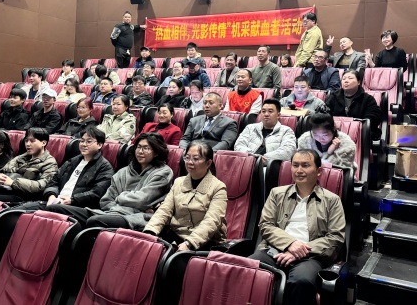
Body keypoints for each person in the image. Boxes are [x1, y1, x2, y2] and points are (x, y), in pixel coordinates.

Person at [249, 149, 345, 305]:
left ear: (319, 171)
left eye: (305, 165)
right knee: (249, 268)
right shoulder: (277, 193)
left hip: (311, 256)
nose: (299, 170)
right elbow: (266, 225)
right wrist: (290, 244)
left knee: (302, 281)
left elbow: (335, 237)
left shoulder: (332, 200)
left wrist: (300, 251)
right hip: (274, 250)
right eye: (295, 165)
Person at [50, 133, 173, 229]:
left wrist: (119, 198)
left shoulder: (163, 172)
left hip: (136, 217)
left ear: (156, 153)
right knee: (55, 208)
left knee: (95, 221)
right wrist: (119, 205)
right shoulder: (123, 172)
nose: (140, 151)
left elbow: (142, 200)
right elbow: (105, 201)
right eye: (138, 147)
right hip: (110, 213)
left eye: (146, 148)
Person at [144, 141, 227, 250]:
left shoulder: (218, 188)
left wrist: (190, 243)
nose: (190, 162)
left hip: (205, 241)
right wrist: (150, 231)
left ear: (208, 163)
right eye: (187, 158)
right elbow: (164, 210)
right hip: (177, 235)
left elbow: (212, 221)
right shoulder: (178, 182)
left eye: (196, 159)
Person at [15, 127, 114, 213]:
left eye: (89, 141)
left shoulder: (104, 167)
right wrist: (51, 195)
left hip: (77, 207)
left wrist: (72, 200)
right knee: (17, 210)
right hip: (55, 202)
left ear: (99, 145)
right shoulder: (72, 161)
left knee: (49, 210)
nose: (84, 144)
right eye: (82, 141)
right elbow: (53, 181)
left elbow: (97, 193)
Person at [234, 99, 297, 165]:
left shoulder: (286, 131)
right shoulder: (250, 128)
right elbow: (238, 145)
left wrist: (262, 160)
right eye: (263, 111)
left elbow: (287, 151)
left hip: (269, 167)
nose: (266, 114)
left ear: (278, 115)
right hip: (247, 164)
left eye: (270, 111)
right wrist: (254, 158)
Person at [325, 69, 382, 139]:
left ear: (358, 82)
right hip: (335, 132)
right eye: (343, 79)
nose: (346, 81)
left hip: (360, 134)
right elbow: (325, 114)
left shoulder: (368, 99)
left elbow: (373, 118)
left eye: (350, 78)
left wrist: (354, 127)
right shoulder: (333, 97)